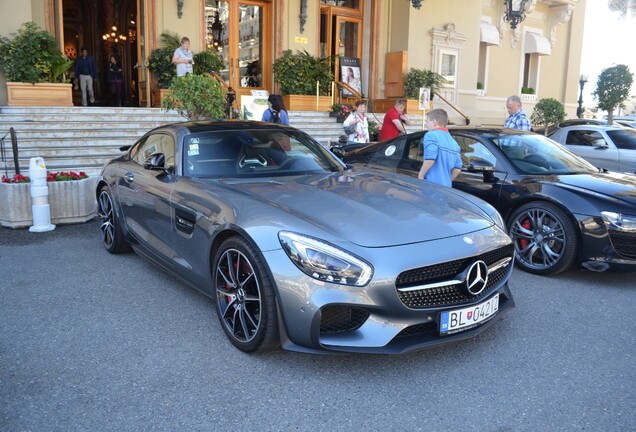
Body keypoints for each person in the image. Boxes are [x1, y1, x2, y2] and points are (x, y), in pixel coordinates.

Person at [417, 109, 462, 188]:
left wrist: (420, 176)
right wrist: (447, 180)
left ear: (434, 122)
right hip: (447, 187)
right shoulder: (454, 143)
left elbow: (430, 158)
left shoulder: (430, 135)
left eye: (427, 121)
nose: (426, 125)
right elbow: (457, 168)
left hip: (430, 185)